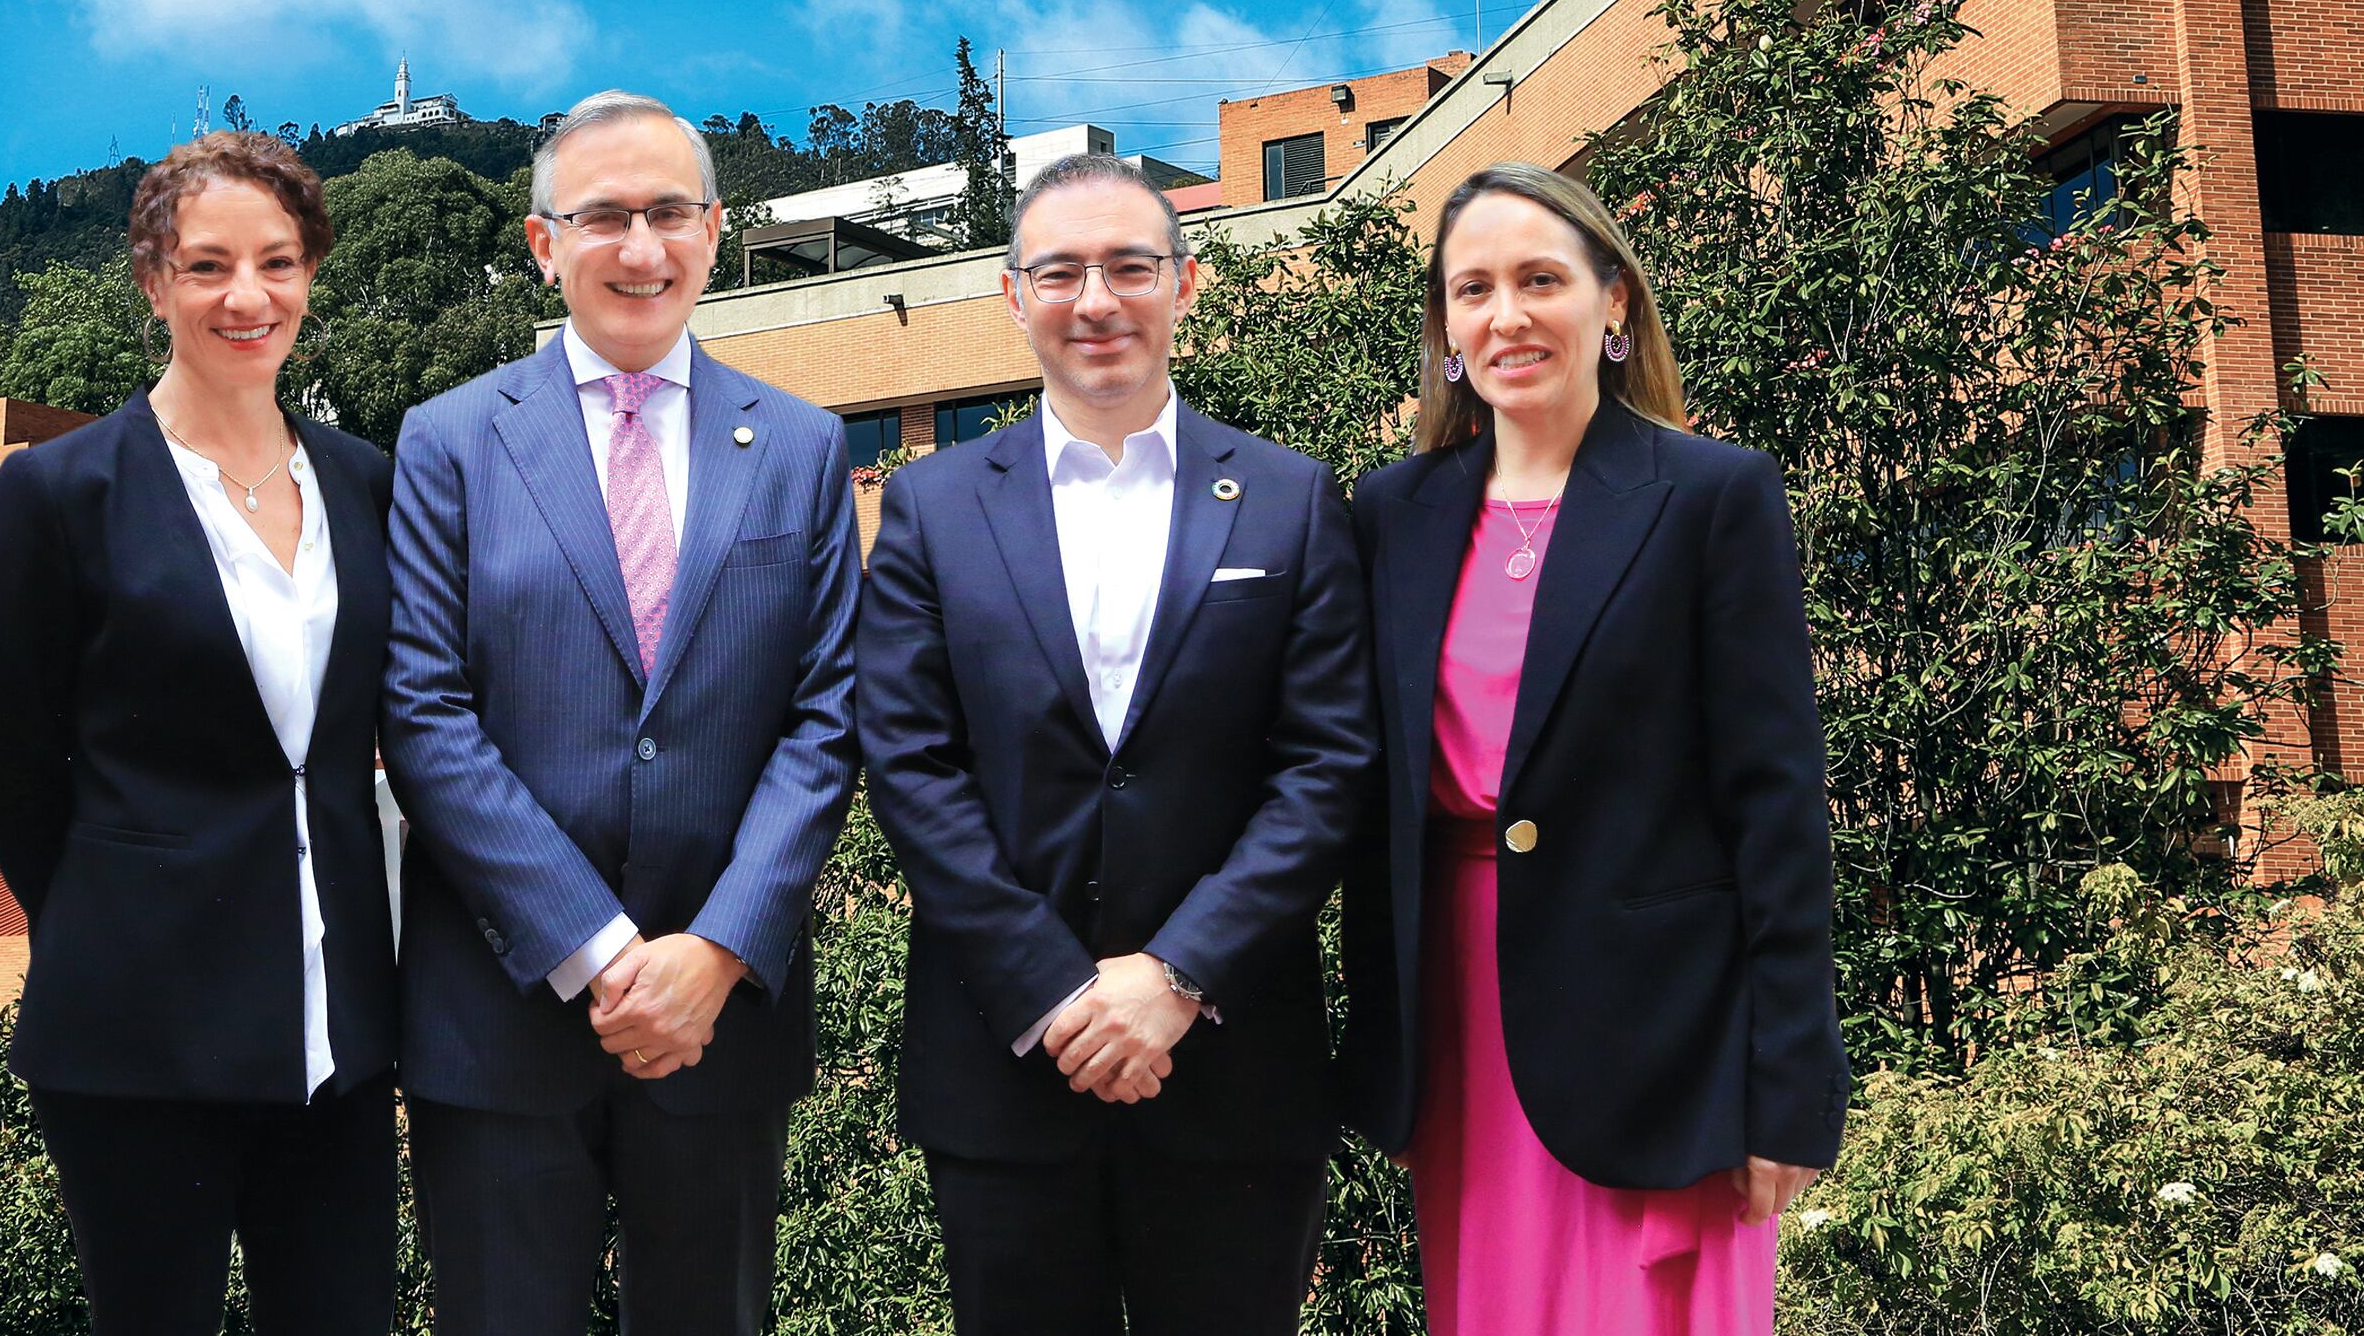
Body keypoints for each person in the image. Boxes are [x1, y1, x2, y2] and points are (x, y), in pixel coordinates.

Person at [856, 153, 1377, 1336]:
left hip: (1234, 1072)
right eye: (1062, 271)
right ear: (1012, 295)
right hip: (1003, 1065)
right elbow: (909, 762)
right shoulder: (932, 508)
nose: (1097, 299)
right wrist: (1054, 992)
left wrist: (1178, 971)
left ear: (1184, 285)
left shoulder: (1292, 500)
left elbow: (1328, 765)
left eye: (1131, 267)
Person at [378, 90, 859, 1336]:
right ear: (545, 244)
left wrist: (718, 951)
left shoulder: (802, 448)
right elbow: (424, 715)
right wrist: (599, 951)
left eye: (668, 215)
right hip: (499, 1013)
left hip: (723, 1023)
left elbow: (826, 718)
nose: (640, 249)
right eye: (604, 218)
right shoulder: (448, 442)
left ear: (713, 230)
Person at [1341, 162, 1848, 1333]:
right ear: (1447, 329)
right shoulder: (1391, 514)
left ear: (1613, 301)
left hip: (1663, 1035)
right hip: (1458, 1024)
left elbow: (1776, 809)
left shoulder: (1711, 496)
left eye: (1539, 280)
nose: (1506, 315)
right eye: (1473, 289)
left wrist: (1790, 1090)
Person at [0, 131, 403, 1336]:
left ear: (312, 272)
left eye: (277, 261)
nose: (247, 296)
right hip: (137, 1034)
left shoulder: (369, 481)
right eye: (208, 266)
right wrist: (116, 914)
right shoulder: (60, 495)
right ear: (155, 282)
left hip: (342, 1031)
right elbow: (8, 763)